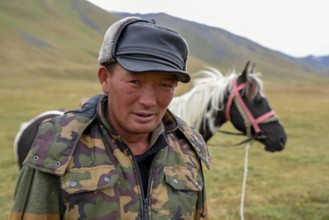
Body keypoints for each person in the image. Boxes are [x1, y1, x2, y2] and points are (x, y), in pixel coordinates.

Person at [10, 16, 211, 220]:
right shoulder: (58, 146)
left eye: (165, 85)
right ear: (105, 79)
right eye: (135, 81)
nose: (149, 101)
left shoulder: (188, 148)